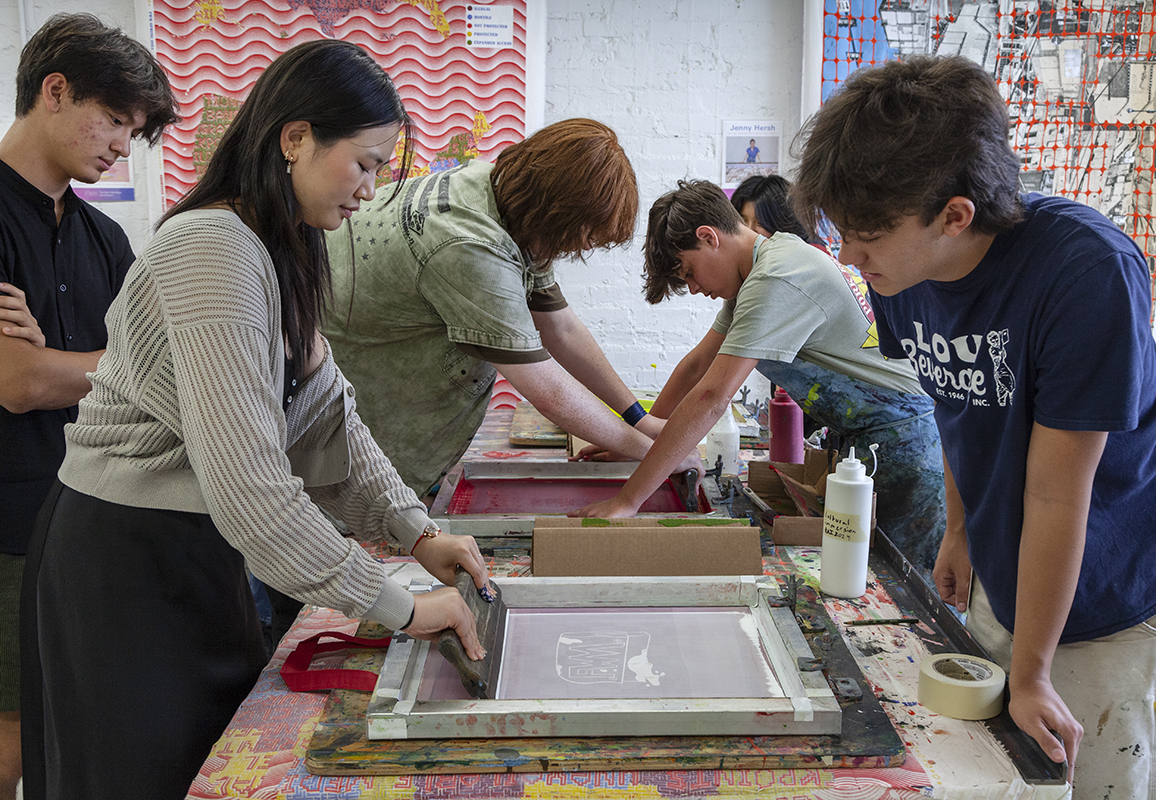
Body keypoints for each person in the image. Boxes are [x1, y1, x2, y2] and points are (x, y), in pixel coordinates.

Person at [20, 39, 490, 800]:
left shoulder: (283, 246)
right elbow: (253, 489)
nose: (370, 190)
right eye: (365, 163)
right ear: (295, 138)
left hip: (193, 550)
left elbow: (329, 413)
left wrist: (418, 531)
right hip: (124, 561)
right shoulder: (213, 248)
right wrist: (397, 605)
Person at [790, 54, 1156, 799]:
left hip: (1120, 582)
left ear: (955, 214)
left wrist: (1035, 672)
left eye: (867, 234)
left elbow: (1057, 495)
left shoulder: (1085, 272)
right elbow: (957, 401)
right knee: (1001, 773)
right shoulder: (902, 274)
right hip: (1016, 566)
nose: (849, 256)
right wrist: (959, 528)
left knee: (1101, 772)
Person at [573, 179, 945, 576]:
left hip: (908, 446)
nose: (695, 288)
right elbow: (697, 366)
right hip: (868, 439)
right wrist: (639, 442)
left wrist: (628, 501)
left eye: (689, 272)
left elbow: (712, 396)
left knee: (902, 589)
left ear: (708, 237)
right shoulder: (764, 265)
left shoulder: (777, 277)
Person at [322, 118, 698, 499]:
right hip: (342, 406)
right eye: (584, 235)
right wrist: (656, 455)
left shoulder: (501, 196)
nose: (582, 249)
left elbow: (560, 328)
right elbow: (545, 386)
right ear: (558, 211)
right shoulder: (469, 245)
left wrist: (639, 420)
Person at [0, 13, 178, 799]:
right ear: (55, 89)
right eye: (112, 119)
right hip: (7, 524)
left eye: (132, 131)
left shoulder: (105, 238)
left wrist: (63, 362)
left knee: (74, 724)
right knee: (11, 736)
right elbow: (20, 385)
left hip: (93, 513)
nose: (119, 145)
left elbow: (160, 367)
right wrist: (104, 366)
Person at [729, 174, 827, 251]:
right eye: (743, 220)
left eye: (760, 223)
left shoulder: (809, 254)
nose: (749, 230)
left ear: (781, 222)